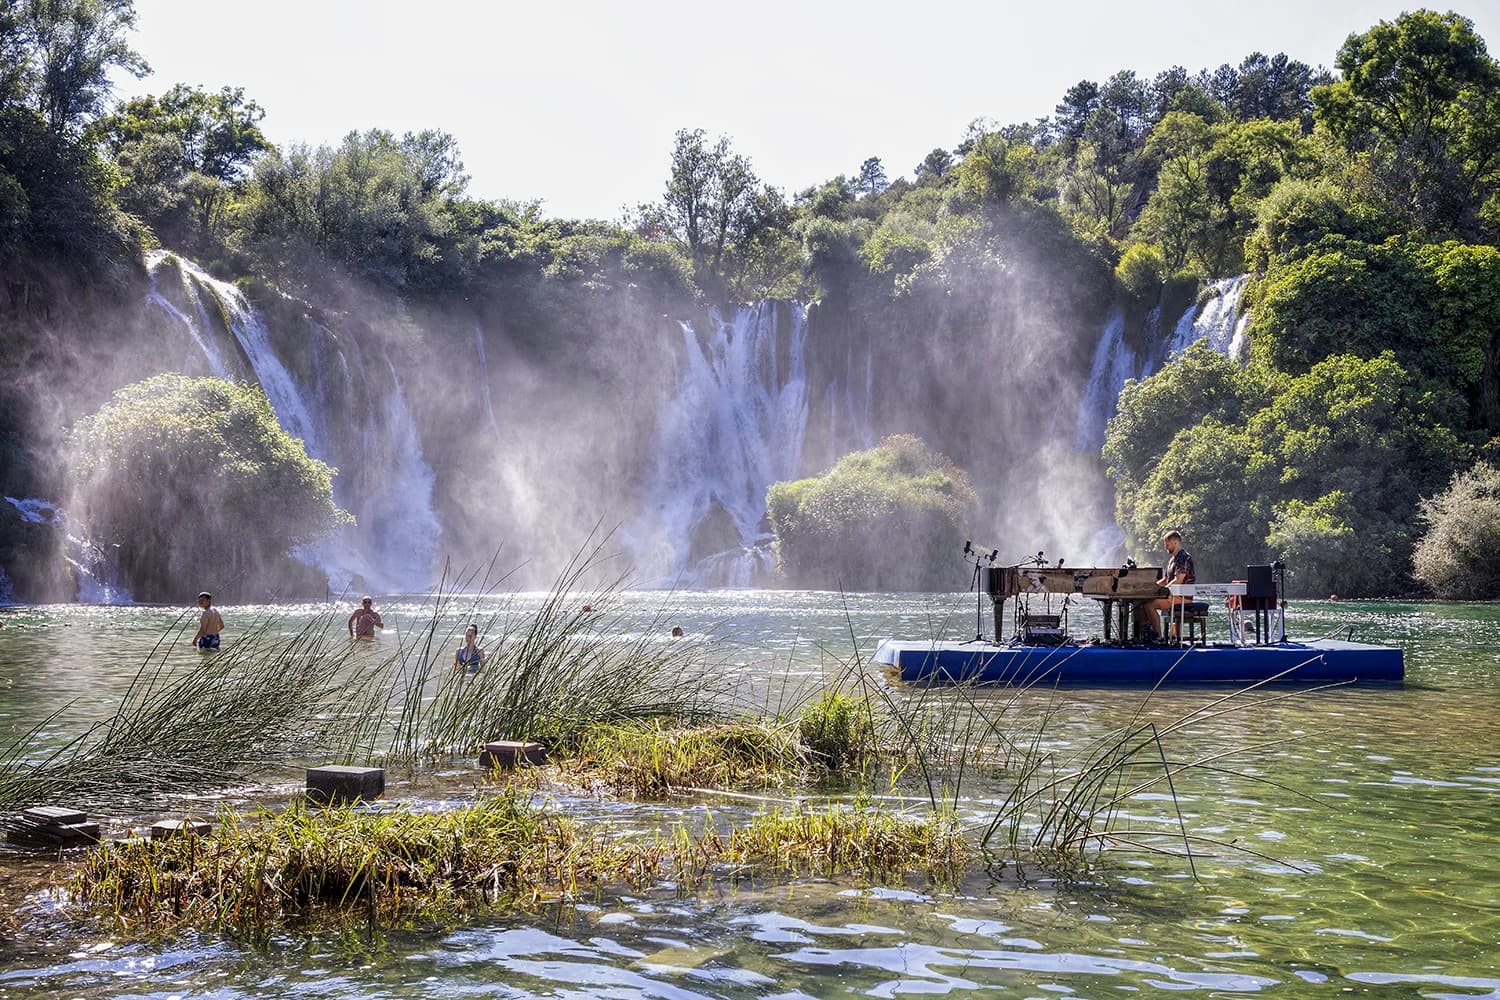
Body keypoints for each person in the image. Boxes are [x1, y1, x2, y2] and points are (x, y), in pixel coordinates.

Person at [1135, 531, 1195, 641]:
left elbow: (1179, 579)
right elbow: (1166, 579)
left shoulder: (1184, 557)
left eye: (1167, 544)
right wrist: (1152, 586)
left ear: (1176, 543)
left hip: (1182, 597)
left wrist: (1164, 589)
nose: (1165, 547)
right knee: (1141, 603)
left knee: (1149, 605)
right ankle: (1146, 634)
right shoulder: (1172, 559)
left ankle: (1159, 637)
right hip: (1173, 595)